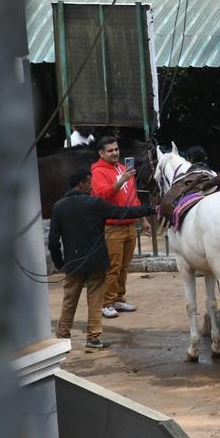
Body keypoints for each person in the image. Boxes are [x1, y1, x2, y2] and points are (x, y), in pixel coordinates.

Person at [48, 168, 155, 351]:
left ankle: (62, 337)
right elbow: (123, 212)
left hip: (73, 262)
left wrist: (60, 263)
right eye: (89, 182)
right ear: (81, 183)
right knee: (95, 301)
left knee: (69, 301)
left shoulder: (59, 206)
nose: (91, 185)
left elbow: (53, 241)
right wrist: (150, 209)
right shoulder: (95, 204)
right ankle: (93, 339)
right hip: (96, 261)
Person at [91, 136, 142, 319]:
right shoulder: (98, 172)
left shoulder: (123, 168)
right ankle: (107, 303)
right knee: (113, 267)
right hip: (112, 227)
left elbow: (133, 196)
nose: (115, 153)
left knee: (124, 266)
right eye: (110, 150)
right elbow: (102, 196)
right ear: (101, 153)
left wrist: (141, 218)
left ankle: (119, 298)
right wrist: (120, 182)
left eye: (116, 149)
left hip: (129, 225)